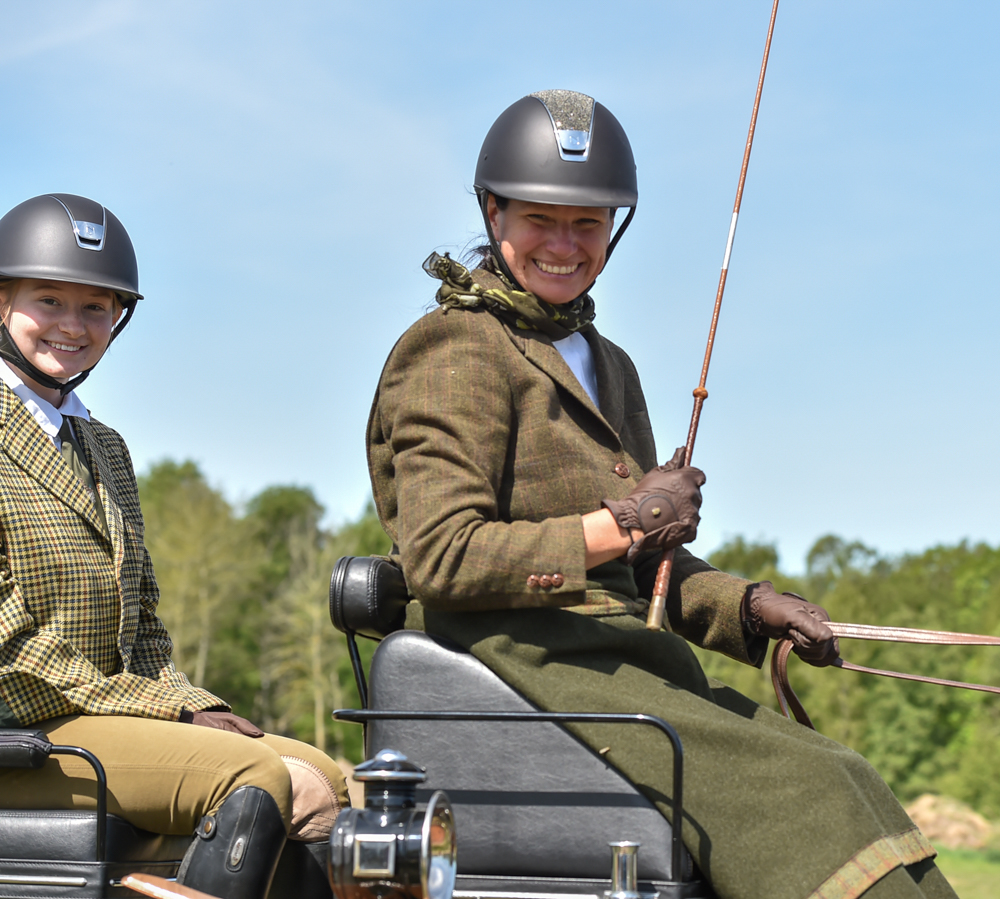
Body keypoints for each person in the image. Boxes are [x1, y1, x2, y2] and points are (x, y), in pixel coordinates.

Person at [366, 91, 956, 899]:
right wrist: (627, 518)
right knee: (809, 792)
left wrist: (750, 606)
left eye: (588, 223)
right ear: (493, 211)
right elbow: (441, 556)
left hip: (625, 660)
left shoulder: (609, 363)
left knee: (844, 770)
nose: (565, 246)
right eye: (541, 220)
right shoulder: (453, 347)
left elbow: (645, 568)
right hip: (526, 658)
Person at [0, 194, 348, 899]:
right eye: (49, 300)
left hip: (105, 714)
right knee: (253, 777)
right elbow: (11, 647)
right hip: (22, 726)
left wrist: (189, 698)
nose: (73, 325)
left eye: (96, 307)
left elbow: (145, 626)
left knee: (329, 776)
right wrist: (168, 711)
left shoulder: (105, 447)